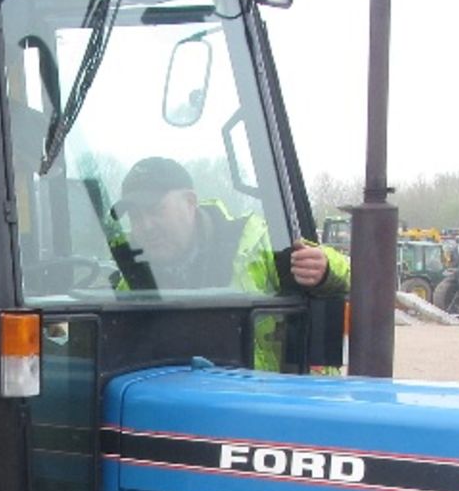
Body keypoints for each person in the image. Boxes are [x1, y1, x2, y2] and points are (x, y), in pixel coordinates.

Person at [111, 156, 349, 366]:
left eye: (155, 210)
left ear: (190, 202)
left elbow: (356, 277)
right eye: (135, 216)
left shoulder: (258, 243)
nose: (146, 226)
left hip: (268, 401)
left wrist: (325, 270)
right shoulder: (132, 281)